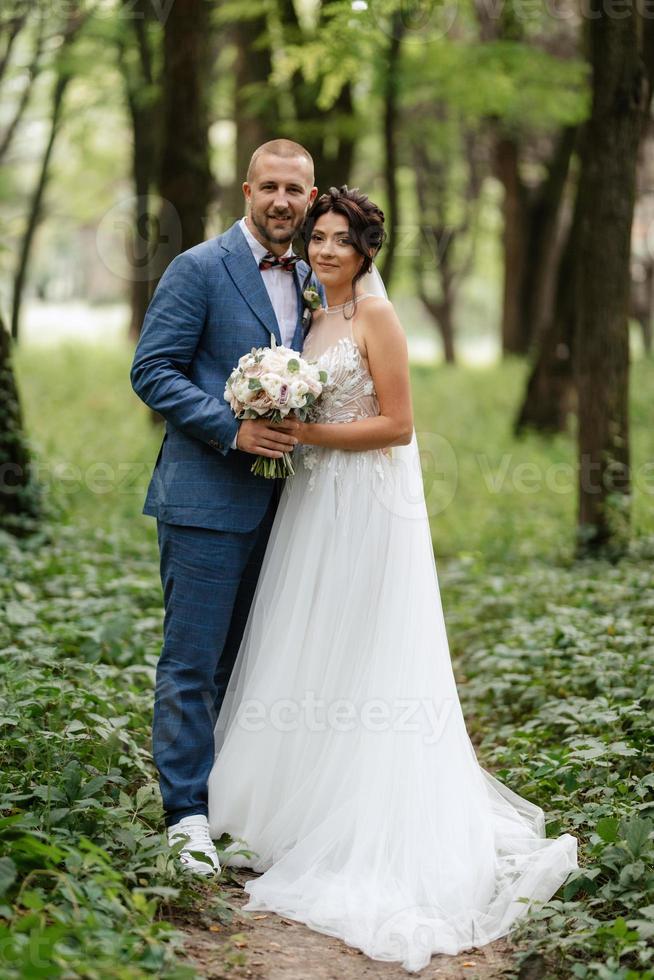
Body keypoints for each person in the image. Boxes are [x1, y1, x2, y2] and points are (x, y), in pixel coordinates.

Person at [206, 186, 578, 972]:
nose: (328, 249)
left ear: (367, 250)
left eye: (343, 239)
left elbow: (399, 425)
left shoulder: (376, 317)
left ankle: (365, 818)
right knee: (309, 645)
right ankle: (292, 812)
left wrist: (301, 430)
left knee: (363, 647)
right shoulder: (309, 320)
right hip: (310, 504)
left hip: (365, 509)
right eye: (319, 237)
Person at [130, 139, 320, 874]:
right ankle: (185, 818)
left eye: (293, 190)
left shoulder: (316, 277)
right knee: (193, 664)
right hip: (205, 498)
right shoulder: (199, 268)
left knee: (256, 664)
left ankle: (237, 806)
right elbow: (153, 370)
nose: (281, 201)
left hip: (290, 510)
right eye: (268, 186)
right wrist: (231, 426)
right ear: (247, 191)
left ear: (310, 197)